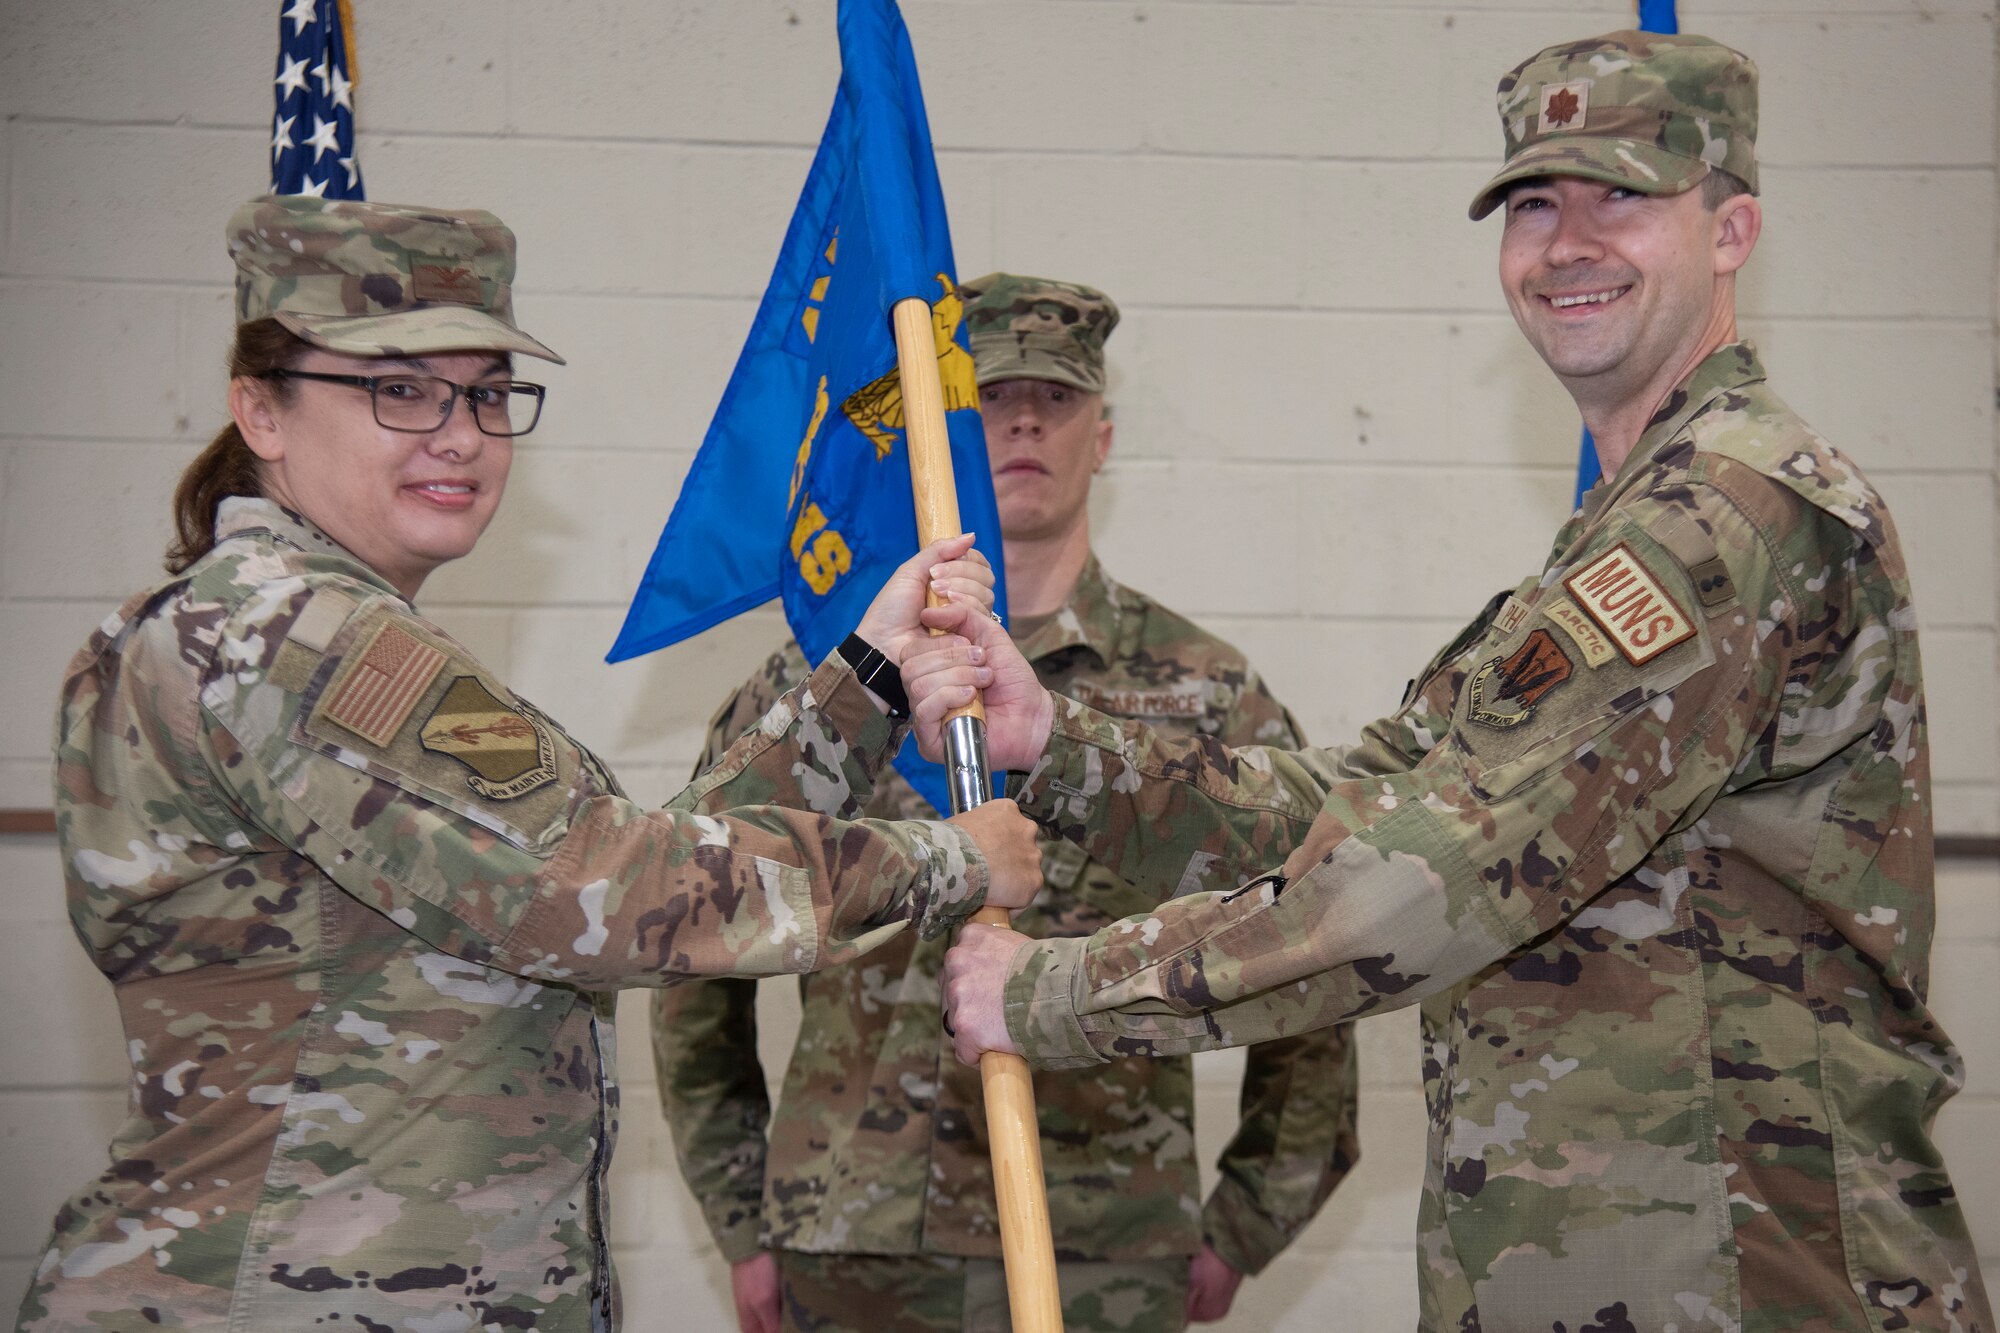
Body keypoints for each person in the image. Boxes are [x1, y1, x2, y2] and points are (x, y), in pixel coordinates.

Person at [916, 32, 1996, 1332]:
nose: (1568, 242)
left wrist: (1054, 993)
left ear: (1732, 229)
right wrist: (1068, 745)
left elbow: (1416, 890)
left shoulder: (1727, 520)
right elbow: (1362, 796)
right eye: (1534, 203)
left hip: (1741, 1274)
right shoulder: (1615, 539)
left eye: (1624, 196)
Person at [19, 195, 1045, 1333]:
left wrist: (869, 678)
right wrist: (946, 859)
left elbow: (606, 876)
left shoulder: (283, 625)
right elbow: (600, 895)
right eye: (396, 388)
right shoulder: (298, 636)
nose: (457, 432)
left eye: (487, 392)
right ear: (259, 409)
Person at [652, 275, 1359, 1333]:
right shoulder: (828, 681)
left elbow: (1313, 936)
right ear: (937, 428)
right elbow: (694, 948)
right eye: (988, 397)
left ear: (1104, 437)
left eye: (1057, 399)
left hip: (1107, 1243)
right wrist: (742, 1219)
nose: (1023, 420)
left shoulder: (1206, 693)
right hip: (851, 1234)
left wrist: (1247, 1219)